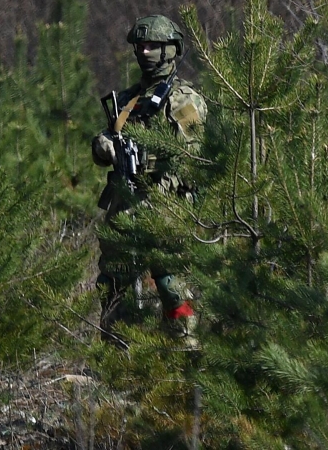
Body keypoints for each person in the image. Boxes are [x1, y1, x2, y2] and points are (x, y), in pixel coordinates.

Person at [91, 15, 207, 349]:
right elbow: (107, 142)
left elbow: (194, 155)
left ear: (171, 50)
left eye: (153, 46)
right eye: (141, 46)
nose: (145, 52)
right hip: (125, 208)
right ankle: (118, 360)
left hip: (166, 207)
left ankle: (185, 356)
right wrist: (103, 145)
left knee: (172, 286)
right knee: (114, 285)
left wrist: (149, 160)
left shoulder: (184, 100)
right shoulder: (127, 101)